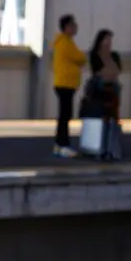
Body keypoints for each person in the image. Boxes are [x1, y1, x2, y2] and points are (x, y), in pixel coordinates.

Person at [52, 14, 87, 157]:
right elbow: (80, 58)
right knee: (65, 116)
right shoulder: (66, 43)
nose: (76, 27)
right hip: (65, 84)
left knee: (64, 115)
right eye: (73, 25)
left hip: (64, 83)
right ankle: (63, 144)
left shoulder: (63, 42)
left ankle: (59, 145)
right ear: (66, 27)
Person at [88, 29, 122, 122]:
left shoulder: (114, 55)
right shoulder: (95, 55)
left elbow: (117, 71)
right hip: (100, 82)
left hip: (112, 81)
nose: (108, 42)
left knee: (116, 86)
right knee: (100, 83)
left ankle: (113, 115)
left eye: (110, 39)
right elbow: (98, 71)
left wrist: (109, 72)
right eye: (106, 39)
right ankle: (99, 112)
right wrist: (108, 72)